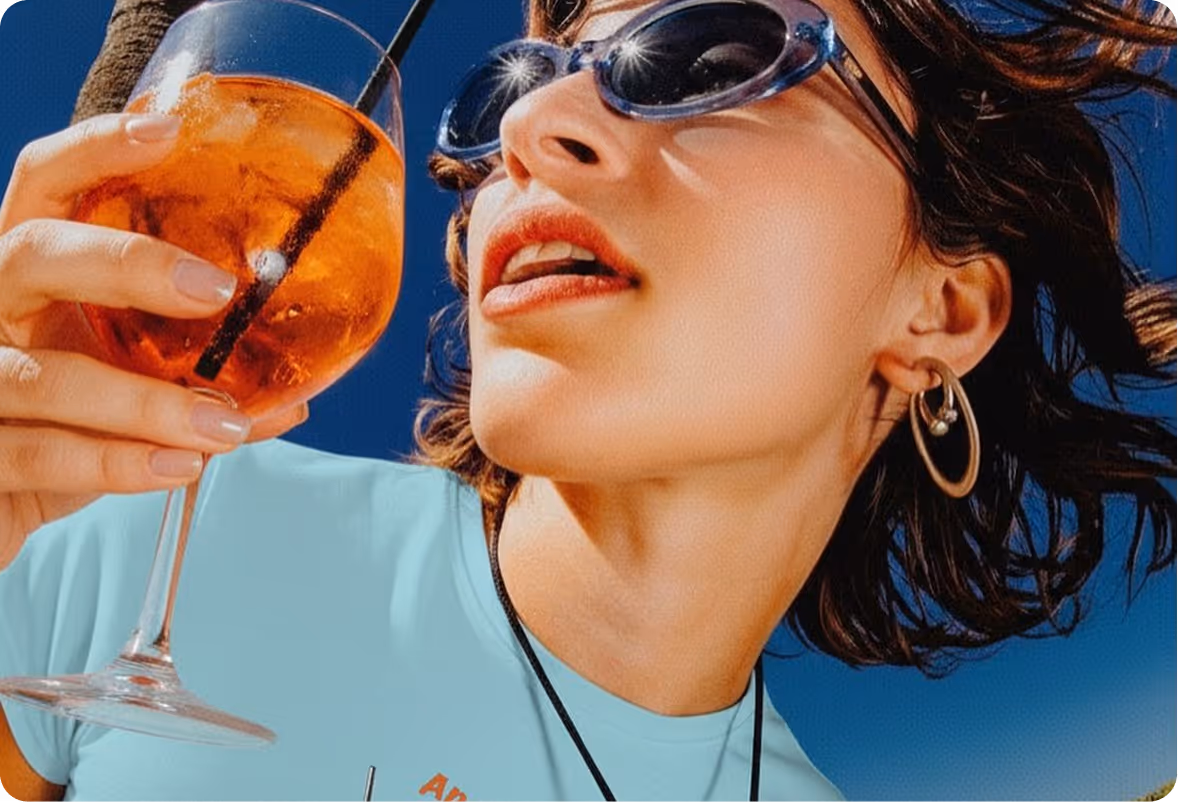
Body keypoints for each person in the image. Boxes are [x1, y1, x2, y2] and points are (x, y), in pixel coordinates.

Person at [0, 0, 1174, 799]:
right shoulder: (148, 519)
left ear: (942, 311)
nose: (527, 124)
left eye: (709, 55)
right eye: (516, 79)